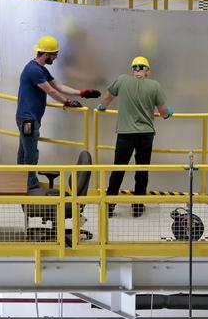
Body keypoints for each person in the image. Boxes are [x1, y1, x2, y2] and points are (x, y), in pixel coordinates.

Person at [16, 35, 101, 191]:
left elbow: (58, 86)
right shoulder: (34, 70)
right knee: (30, 154)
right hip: (28, 120)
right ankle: (31, 186)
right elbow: (50, 90)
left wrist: (81, 92)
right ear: (46, 54)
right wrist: (66, 102)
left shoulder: (40, 69)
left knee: (24, 152)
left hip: (28, 118)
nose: (55, 58)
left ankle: (22, 183)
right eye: (54, 54)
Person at [100, 56, 170, 217]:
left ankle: (109, 207)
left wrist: (102, 108)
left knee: (118, 169)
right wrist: (168, 114)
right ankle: (138, 207)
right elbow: (163, 112)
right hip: (145, 135)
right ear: (147, 71)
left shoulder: (122, 80)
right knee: (142, 170)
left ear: (133, 69)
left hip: (125, 134)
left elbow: (106, 97)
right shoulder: (154, 86)